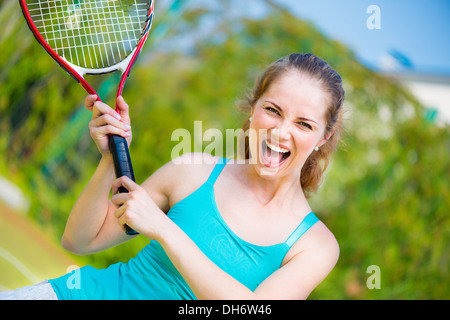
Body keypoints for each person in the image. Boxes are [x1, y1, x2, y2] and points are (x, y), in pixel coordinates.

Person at [1, 53, 344, 300]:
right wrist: (109, 161)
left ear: (324, 137)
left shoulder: (315, 245)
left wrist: (164, 229)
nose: (281, 131)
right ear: (253, 108)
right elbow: (80, 240)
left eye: (304, 124)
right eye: (273, 110)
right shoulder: (192, 171)